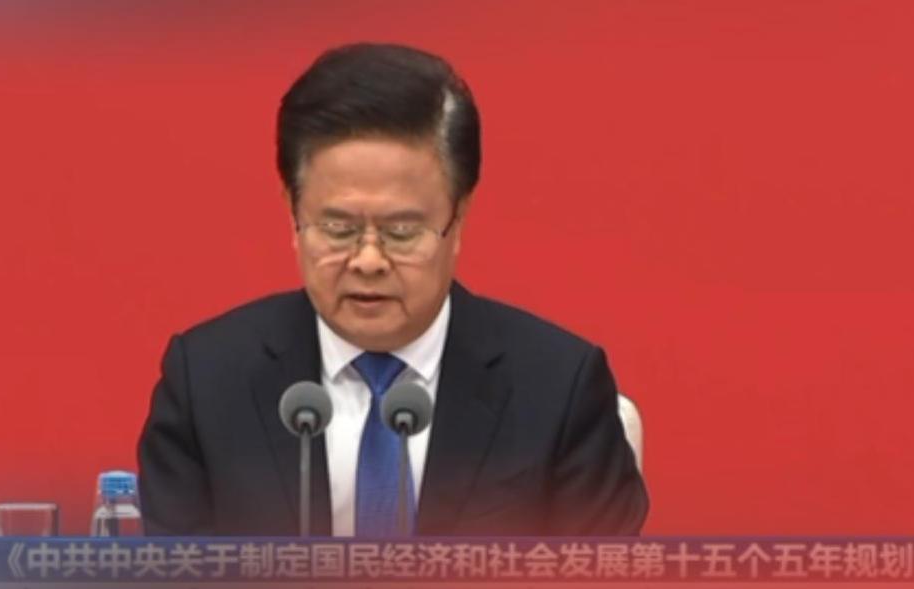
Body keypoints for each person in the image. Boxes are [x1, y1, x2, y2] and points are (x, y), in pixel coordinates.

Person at [138, 42, 648, 537]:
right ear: (293, 213)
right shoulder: (207, 382)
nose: (368, 261)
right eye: (337, 228)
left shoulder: (558, 389)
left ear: (458, 217)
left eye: (402, 232)